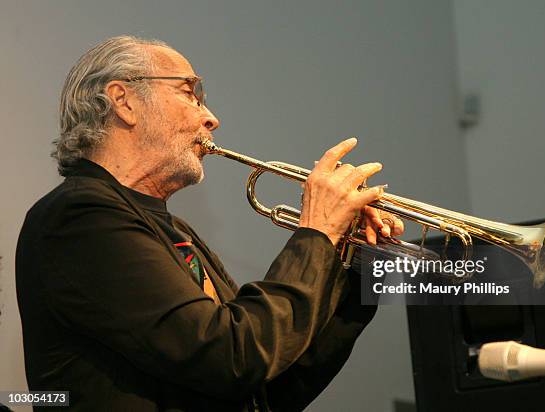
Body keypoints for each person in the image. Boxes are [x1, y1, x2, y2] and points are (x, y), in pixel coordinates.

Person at [16, 36, 403, 411]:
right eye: (190, 92)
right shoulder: (79, 217)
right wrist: (316, 232)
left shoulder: (176, 232)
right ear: (124, 101)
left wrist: (355, 264)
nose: (211, 117)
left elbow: (269, 386)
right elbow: (233, 357)